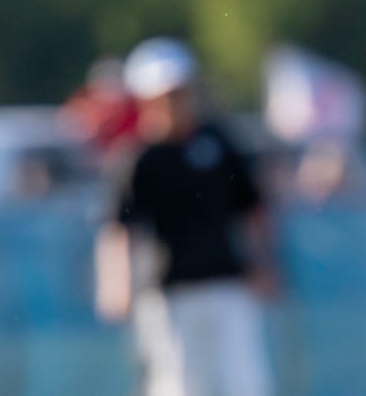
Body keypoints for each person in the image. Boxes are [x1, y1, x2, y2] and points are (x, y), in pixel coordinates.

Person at [93, 37, 275, 396]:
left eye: (180, 93)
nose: (176, 103)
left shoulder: (220, 143)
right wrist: (116, 282)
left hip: (228, 283)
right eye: (165, 96)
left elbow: (251, 207)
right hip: (167, 290)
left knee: (247, 382)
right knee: (180, 383)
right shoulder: (139, 159)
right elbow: (119, 227)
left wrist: (264, 261)